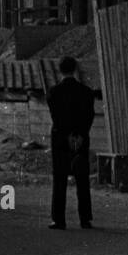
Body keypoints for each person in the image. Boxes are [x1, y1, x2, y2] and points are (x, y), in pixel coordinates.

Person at [46, 56, 95, 230]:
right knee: (82, 179)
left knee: (59, 179)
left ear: (60, 70)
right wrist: (79, 134)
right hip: (81, 139)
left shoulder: (53, 92)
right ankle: (85, 219)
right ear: (75, 69)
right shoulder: (87, 92)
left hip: (60, 139)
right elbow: (89, 117)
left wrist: (67, 135)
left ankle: (58, 219)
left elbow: (57, 118)